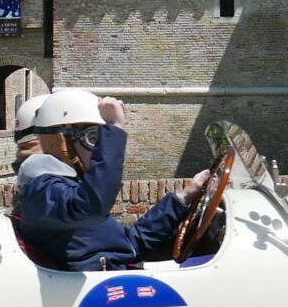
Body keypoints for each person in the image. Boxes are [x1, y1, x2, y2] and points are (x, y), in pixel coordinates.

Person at [15, 89, 214, 272]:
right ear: (61, 142)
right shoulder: (42, 191)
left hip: (108, 282)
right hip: (97, 295)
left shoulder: (66, 188)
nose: (99, 149)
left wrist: (183, 198)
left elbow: (130, 245)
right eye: (94, 139)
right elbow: (92, 205)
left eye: (101, 139)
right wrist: (115, 128)